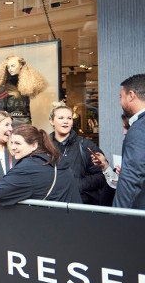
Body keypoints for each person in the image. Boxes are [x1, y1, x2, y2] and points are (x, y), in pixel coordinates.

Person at [0, 125, 81, 283]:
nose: (13, 147)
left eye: (18, 143)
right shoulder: (55, 161)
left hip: (42, 238)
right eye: (12, 142)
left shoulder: (28, 167)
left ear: (34, 145)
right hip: (69, 235)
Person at [48, 102, 106, 205]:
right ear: (51, 121)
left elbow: (102, 175)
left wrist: (78, 184)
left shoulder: (85, 145)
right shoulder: (43, 146)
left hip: (79, 204)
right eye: (61, 118)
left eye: (69, 118)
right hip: (51, 203)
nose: (66, 121)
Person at [113, 73, 145, 209]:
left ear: (131, 95)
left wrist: (118, 216)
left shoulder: (139, 128)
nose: (120, 102)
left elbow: (132, 178)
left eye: (121, 97)